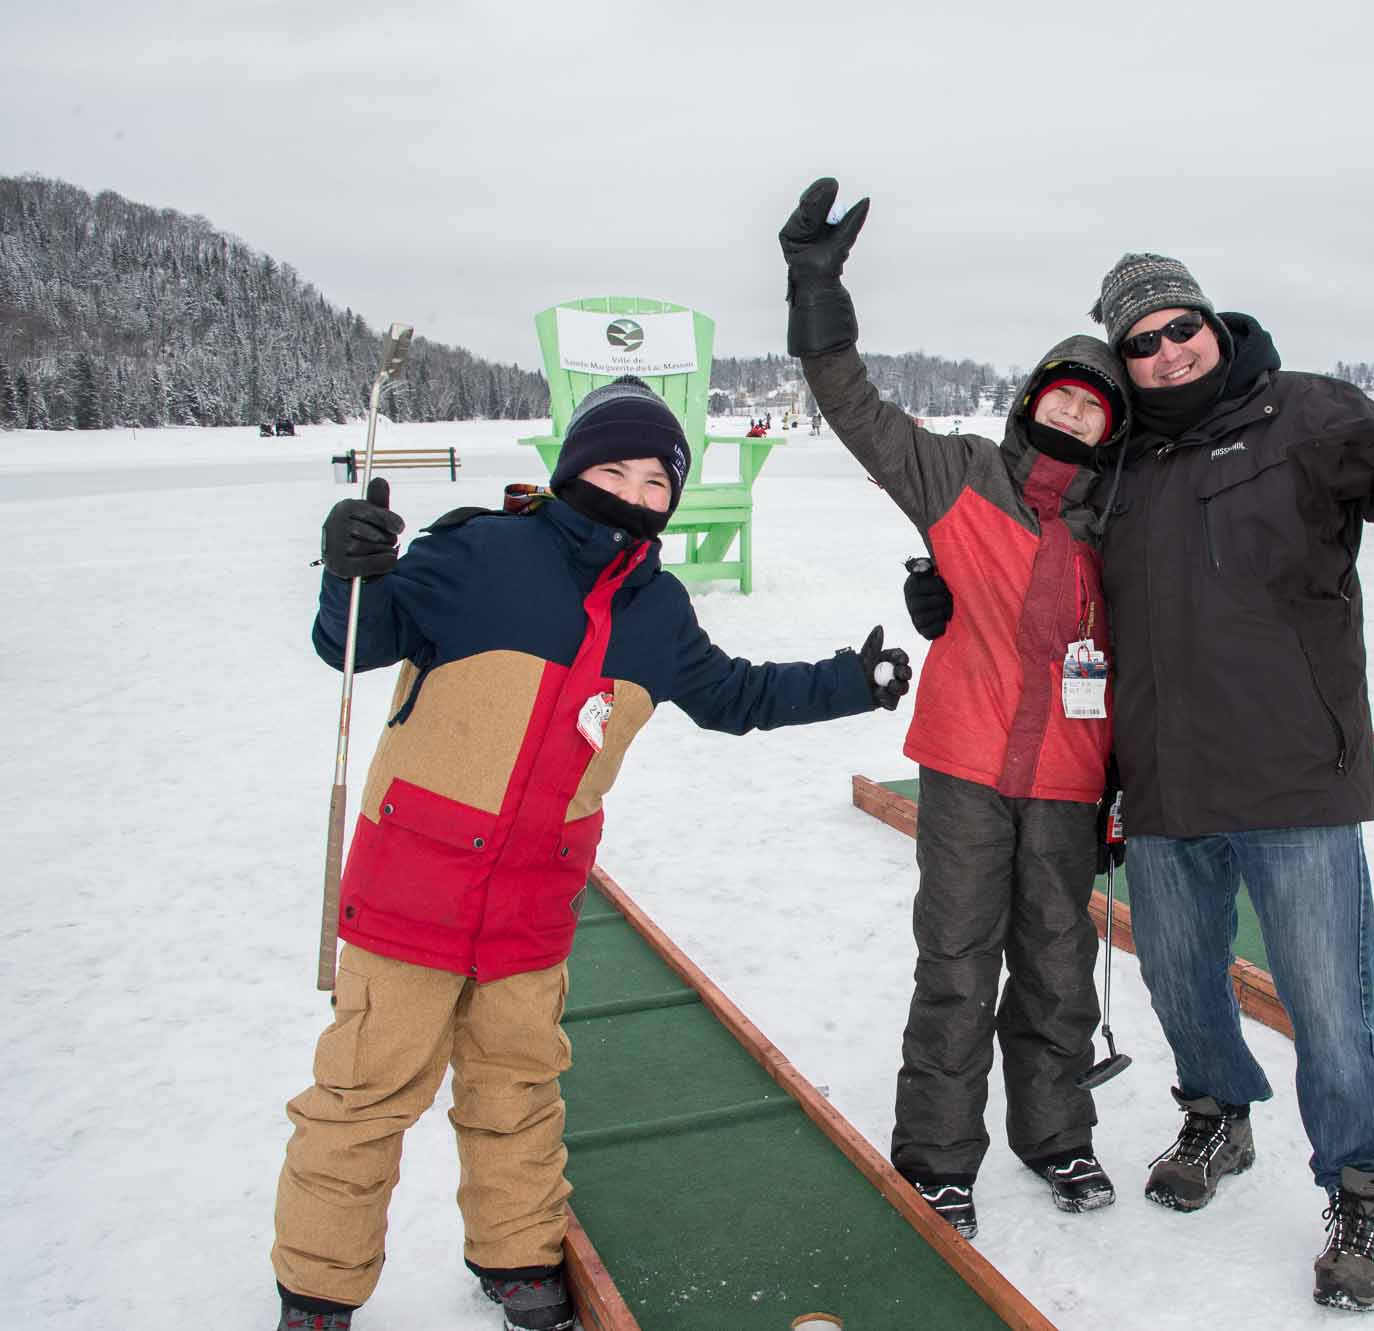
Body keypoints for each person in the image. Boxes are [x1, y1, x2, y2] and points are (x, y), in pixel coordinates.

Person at [907, 253, 1374, 1311]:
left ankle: (1362, 1180)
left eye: (1182, 326)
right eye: (1142, 340)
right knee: (1179, 981)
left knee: (1325, 1002)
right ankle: (1217, 1109)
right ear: (1122, 361)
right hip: (1165, 782)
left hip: (1292, 776)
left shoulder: (1302, 413)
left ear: (1213, 325)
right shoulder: (1120, 462)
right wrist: (938, 588)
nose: (1168, 348)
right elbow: (1041, 553)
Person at [271, 376, 912, 1331]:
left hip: (533, 901)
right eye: (614, 467)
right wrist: (348, 568)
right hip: (413, 887)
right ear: (572, 469)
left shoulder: (657, 612)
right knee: (364, 1095)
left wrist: (850, 682)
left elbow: (733, 696)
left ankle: (518, 1256)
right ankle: (318, 1292)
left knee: (518, 1089)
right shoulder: (480, 553)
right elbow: (352, 640)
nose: (636, 490)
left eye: (658, 478)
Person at [781, 178, 1129, 1239]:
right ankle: (936, 1155)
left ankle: (1056, 1133)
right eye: (1060, 394)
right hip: (968, 765)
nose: (1071, 411)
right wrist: (814, 291)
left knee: (1060, 966)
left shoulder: (1123, 525)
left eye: (1093, 404)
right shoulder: (958, 478)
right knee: (958, 959)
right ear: (1032, 398)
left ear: (1110, 426)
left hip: (1071, 780)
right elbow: (853, 404)